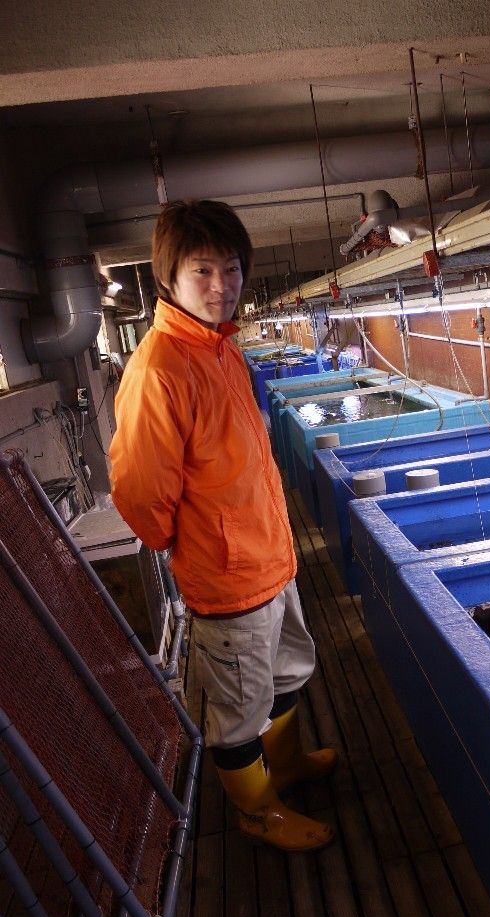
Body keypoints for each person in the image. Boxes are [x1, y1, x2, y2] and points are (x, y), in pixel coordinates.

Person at [109, 199, 336, 852]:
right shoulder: (160, 369)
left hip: (271, 560)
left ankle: (285, 765)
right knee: (239, 712)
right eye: (201, 271)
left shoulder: (221, 349)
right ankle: (257, 810)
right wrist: (200, 544)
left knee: (291, 670)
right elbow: (142, 493)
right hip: (228, 577)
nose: (219, 286)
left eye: (230, 269)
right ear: (169, 279)